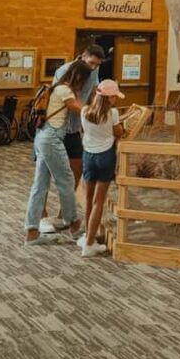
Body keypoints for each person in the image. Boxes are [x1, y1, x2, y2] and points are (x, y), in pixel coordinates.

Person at [40, 44, 105, 233]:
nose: (94, 67)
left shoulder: (94, 70)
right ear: (82, 56)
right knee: (44, 173)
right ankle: (41, 217)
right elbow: (69, 102)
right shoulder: (64, 71)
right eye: (91, 63)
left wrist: (98, 107)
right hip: (55, 129)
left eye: (97, 64)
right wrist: (95, 114)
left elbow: (93, 92)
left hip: (74, 129)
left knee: (76, 170)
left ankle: (64, 215)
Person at [24, 60, 90, 245]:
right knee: (66, 180)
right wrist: (100, 110)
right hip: (52, 139)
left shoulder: (57, 88)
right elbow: (79, 109)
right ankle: (74, 224)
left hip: (43, 137)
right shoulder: (65, 90)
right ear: (79, 76)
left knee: (40, 185)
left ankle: (32, 232)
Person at [78, 79, 124, 258]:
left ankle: (87, 236)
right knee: (99, 202)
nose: (116, 100)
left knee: (88, 199)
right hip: (105, 156)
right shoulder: (113, 113)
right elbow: (118, 132)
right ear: (109, 97)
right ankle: (90, 244)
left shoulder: (84, 111)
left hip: (88, 156)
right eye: (114, 96)